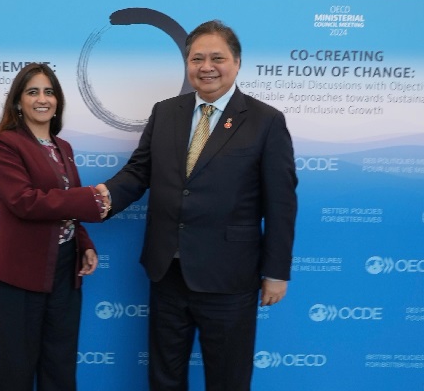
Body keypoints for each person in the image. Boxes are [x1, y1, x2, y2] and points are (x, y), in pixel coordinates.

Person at [97, 20, 298, 390]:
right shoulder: (165, 112)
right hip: (167, 273)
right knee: (164, 378)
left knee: (228, 380)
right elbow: (139, 172)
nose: (206, 67)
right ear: (187, 63)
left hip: (229, 278)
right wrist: (101, 198)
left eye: (217, 58)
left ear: (237, 62)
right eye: (197, 59)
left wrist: (276, 271)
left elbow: (281, 203)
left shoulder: (266, 121)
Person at [0, 63, 108, 391]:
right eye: (33, 92)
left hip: (64, 270)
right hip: (21, 272)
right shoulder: (6, 144)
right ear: (18, 101)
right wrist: (90, 198)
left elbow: (67, 206)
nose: (42, 99)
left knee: (60, 367)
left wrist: (85, 242)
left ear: (58, 100)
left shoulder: (63, 147)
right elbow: (24, 202)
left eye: (49, 92)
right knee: (16, 370)